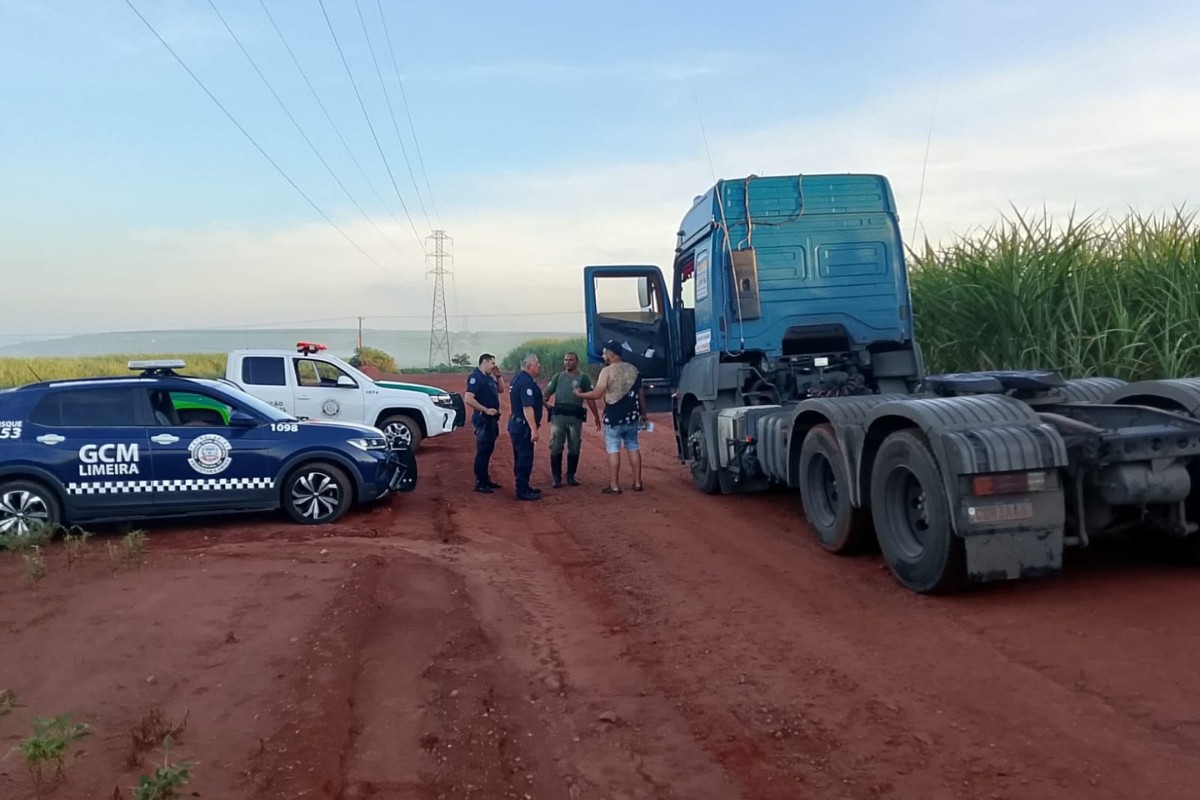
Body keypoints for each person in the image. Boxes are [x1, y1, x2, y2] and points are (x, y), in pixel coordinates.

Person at [575, 340, 647, 494]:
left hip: (613, 417)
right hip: (632, 416)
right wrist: (644, 413)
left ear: (611, 354)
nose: (603, 356)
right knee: (633, 447)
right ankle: (638, 482)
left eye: (605, 353)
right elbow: (641, 394)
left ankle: (614, 485)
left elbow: (597, 393)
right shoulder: (633, 369)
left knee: (613, 449)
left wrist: (580, 394)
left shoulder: (607, 371)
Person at [543, 351, 600, 488]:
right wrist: (547, 406)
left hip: (575, 417)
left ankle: (570, 475)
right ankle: (556, 477)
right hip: (559, 417)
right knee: (556, 446)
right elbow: (546, 394)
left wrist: (597, 416)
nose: (567, 362)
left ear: (577, 362)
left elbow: (590, 398)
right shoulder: (558, 377)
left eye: (571, 360)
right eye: (566, 360)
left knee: (574, 447)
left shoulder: (583, 378)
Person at [464, 353, 504, 494]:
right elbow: (468, 399)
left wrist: (499, 377)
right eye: (492, 363)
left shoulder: (488, 377)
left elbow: (501, 390)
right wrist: (485, 410)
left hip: (491, 419)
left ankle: (485, 479)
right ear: (485, 362)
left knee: (488, 451)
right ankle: (480, 482)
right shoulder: (476, 377)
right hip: (483, 419)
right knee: (482, 451)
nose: (494, 366)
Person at [507, 353, 544, 501]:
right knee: (525, 458)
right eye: (537, 363)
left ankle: (523, 486)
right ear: (529, 366)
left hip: (517, 424)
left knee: (520, 457)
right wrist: (534, 429)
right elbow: (527, 407)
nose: (539, 366)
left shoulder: (519, 378)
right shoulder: (526, 382)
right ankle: (522, 490)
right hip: (523, 426)